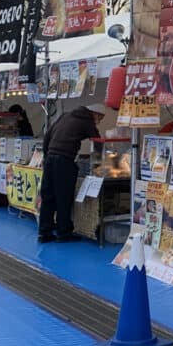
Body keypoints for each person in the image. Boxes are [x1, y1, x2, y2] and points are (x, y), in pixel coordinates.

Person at [38, 104, 106, 243]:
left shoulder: (65, 115)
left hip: (51, 158)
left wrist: (46, 157)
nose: (98, 121)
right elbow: (98, 142)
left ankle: (44, 232)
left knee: (48, 196)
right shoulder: (87, 120)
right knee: (64, 196)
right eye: (100, 118)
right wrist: (101, 162)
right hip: (64, 160)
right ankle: (64, 232)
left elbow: (47, 136)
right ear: (95, 114)